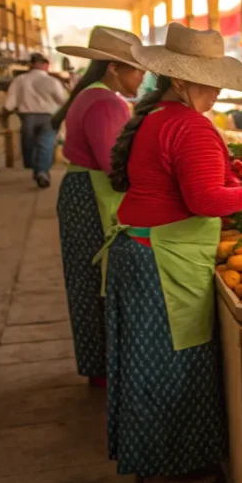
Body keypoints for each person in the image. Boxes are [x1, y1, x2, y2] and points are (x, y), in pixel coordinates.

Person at [102, 23, 242, 483]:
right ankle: (165, 473)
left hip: (143, 251)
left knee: (147, 363)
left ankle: (152, 463)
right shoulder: (189, 126)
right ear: (180, 80)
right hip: (161, 260)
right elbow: (205, 199)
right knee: (169, 366)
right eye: (209, 78)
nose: (218, 89)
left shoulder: (157, 116)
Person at [52, 27, 147, 388]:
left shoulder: (90, 95)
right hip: (89, 196)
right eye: (136, 69)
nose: (142, 77)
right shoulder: (107, 102)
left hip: (81, 191)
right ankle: (102, 370)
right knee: (96, 281)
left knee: (86, 279)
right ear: (112, 68)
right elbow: (115, 165)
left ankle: (97, 365)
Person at [5, 53, 68, 188]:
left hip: (27, 117)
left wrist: (8, 111)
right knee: (45, 145)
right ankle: (42, 172)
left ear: (31, 64)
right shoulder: (52, 81)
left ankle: (37, 169)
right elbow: (62, 101)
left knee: (30, 145)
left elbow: (9, 103)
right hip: (48, 118)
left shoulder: (19, 80)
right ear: (46, 65)